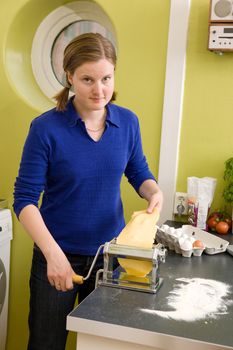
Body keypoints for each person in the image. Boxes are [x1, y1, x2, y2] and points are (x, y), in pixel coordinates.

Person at [13, 32, 163, 350]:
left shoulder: (128, 123)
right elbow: (24, 199)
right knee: (46, 343)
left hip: (111, 259)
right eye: (87, 79)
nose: (99, 90)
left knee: (104, 344)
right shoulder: (45, 129)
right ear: (69, 77)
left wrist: (153, 191)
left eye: (106, 78)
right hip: (56, 256)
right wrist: (53, 256)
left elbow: (138, 172)